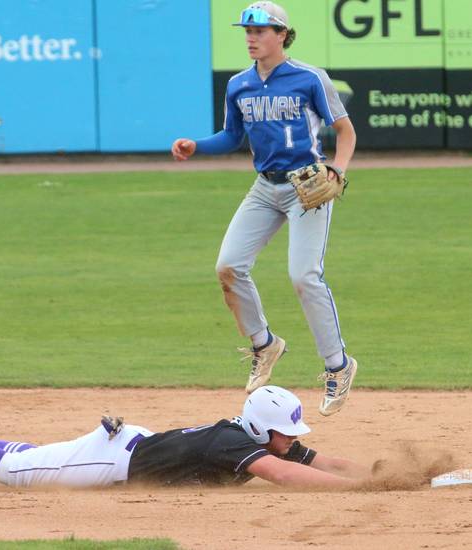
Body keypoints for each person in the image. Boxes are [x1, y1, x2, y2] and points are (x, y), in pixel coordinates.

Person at [171, 2, 358, 416]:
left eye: (260, 31)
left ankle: (338, 367)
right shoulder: (239, 85)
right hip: (264, 189)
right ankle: (264, 344)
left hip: (305, 187)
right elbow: (232, 136)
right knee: (228, 266)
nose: (251, 38)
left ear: (281, 35)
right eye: (247, 32)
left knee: (303, 276)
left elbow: (345, 131)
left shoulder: (310, 78)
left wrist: (338, 170)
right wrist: (197, 145)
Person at [0, 386, 371, 489]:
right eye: (288, 432)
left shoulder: (260, 436)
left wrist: (378, 474)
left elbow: (317, 460)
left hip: (132, 444)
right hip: (114, 460)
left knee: (40, 458)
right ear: (264, 429)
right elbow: (285, 473)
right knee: (20, 474)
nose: (294, 440)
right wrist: (363, 494)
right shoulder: (241, 445)